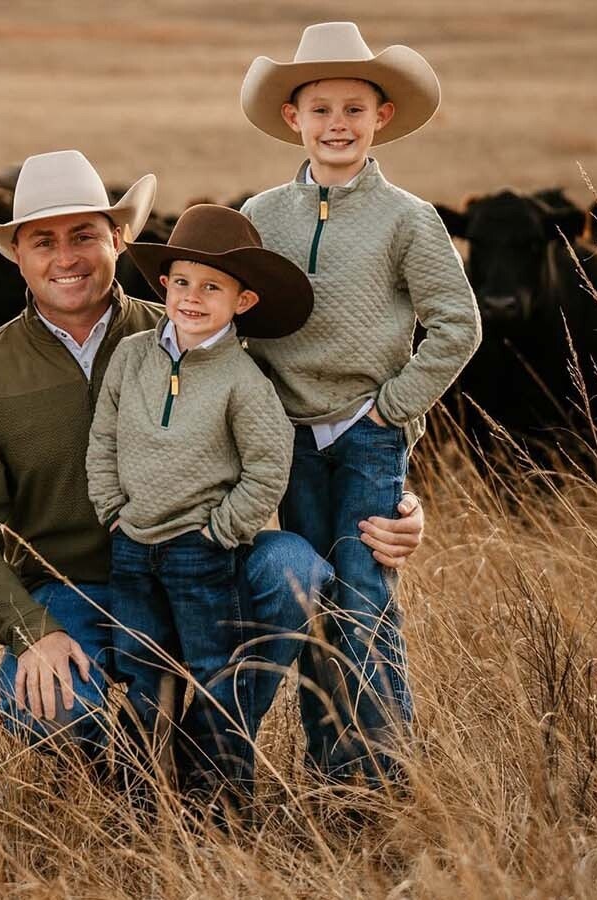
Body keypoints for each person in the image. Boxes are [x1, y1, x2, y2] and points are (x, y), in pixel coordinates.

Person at [0, 150, 426, 771]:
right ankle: (128, 780)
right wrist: (32, 631)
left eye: (84, 235)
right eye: (43, 241)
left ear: (119, 237)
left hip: (204, 566)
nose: (66, 258)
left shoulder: (193, 329)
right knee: (42, 701)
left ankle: (209, 750)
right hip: (74, 592)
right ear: (16, 255)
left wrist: (397, 504)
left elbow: (308, 431)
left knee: (294, 569)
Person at [239, 21, 481, 784]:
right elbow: (235, 322)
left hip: (368, 435)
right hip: (289, 441)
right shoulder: (262, 214)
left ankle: (380, 777)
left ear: (382, 118)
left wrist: (392, 407)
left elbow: (457, 324)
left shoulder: (408, 217)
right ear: (293, 119)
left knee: (363, 596)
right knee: (318, 598)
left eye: (354, 109)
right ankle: (331, 767)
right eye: (320, 110)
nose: (336, 125)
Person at [87, 203, 314, 811]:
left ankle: (219, 802)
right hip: (131, 541)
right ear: (163, 285)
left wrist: (223, 530)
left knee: (215, 670)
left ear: (242, 302)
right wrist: (111, 506)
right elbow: (103, 435)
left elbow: (269, 464)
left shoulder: (243, 380)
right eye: (182, 282)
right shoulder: (133, 356)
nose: (192, 297)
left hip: (201, 549)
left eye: (212, 287)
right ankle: (137, 802)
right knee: (141, 672)